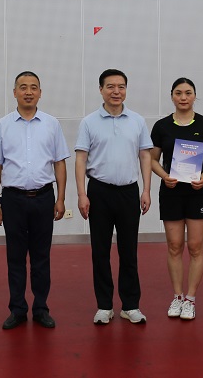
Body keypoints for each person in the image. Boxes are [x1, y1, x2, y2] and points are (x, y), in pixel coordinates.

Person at [0, 71, 69, 330]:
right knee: (15, 257)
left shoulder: (52, 124)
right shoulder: (2, 126)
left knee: (41, 257)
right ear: (15, 92)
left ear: (40, 93)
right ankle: (18, 309)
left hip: (44, 198)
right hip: (13, 200)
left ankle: (41, 308)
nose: (28, 92)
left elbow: (59, 163)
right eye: (23, 87)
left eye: (34, 87)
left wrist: (61, 199)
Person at [75, 69, 153, 325]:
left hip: (129, 192)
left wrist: (146, 189)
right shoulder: (89, 122)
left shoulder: (137, 121)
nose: (116, 91)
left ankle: (130, 305)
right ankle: (104, 305)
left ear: (126, 90)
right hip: (99, 191)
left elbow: (145, 155)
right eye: (110, 86)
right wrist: (82, 194)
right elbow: (81, 159)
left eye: (121, 86)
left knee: (129, 251)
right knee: (100, 251)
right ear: (101, 90)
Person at [150, 78, 203, 320]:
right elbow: (152, 159)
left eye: (188, 93)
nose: (183, 97)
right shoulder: (161, 126)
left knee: (195, 247)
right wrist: (164, 176)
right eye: (178, 93)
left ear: (194, 96)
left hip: (197, 191)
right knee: (174, 246)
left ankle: (190, 299)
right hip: (171, 191)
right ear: (172, 96)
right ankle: (177, 296)